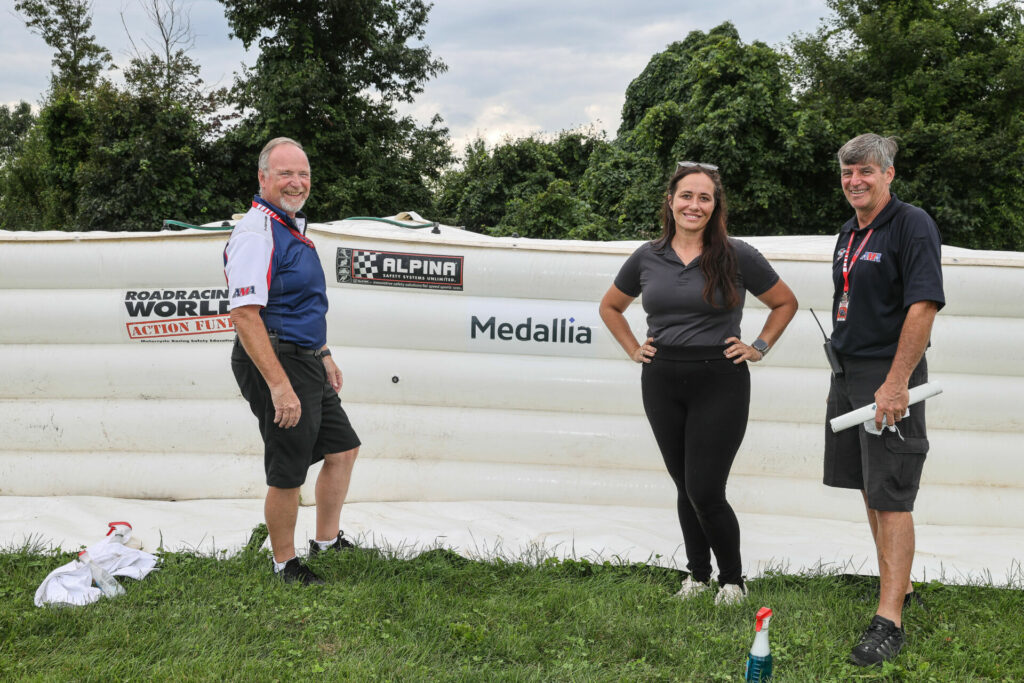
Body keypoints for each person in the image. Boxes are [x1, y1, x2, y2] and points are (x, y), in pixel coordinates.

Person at [599, 162, 798, 605]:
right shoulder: (647, 256)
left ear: (715, 205)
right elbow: (610, 307)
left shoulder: (737, 254)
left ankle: (733, 582)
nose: (694, 205)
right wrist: (635, 349)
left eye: (704, 197)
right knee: (685, 487)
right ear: (670, 201)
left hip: (720, 379)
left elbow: (785, 302)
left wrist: (759, 346)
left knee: (706, 489)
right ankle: (698, 576)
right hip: (662, 378)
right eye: (686, 195)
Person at [823, 134, 944, 666]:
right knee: (871, 490)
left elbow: (922, 306)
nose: (855, 181)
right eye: (848, 173)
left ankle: (888, 620)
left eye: (866, 171)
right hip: (848, 374)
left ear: (889, 174)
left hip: (887, 375)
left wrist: (896, 384)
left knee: (893, 494)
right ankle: (901, 587)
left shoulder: (911, 224)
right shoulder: (850, 231)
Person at [224, 137, 361, 585]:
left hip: (304, 357)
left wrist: (323, 354)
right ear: (262, 178)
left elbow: (301, 302)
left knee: (343, 448)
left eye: (302, 174)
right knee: (289, 469)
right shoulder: (256, 231)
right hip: (275, 358)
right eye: (285, 173)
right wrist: (280, 386)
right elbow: (245, 315)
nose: (296, 182)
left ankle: (326, 540)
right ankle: (285, 563)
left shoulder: (290, 226)